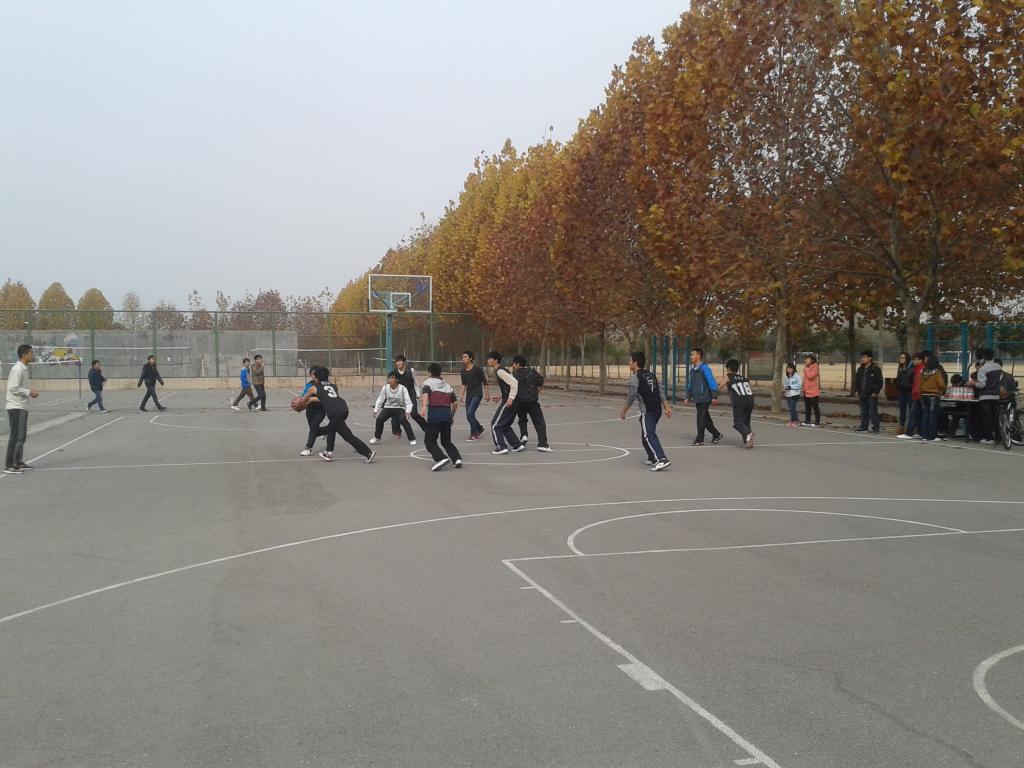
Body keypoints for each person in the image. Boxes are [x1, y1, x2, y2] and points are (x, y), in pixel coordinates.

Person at [300, 366, 374, 463]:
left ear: (316, 378)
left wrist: (299, 406)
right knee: (331, 429)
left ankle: (368, 453)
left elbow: (303, 401)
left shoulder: (314, 388)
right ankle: (329, 453)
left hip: (335, 413)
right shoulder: (333, 386)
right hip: (343, 409)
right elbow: (328, 397)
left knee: (347, 436)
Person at [619, 351, 672, 470]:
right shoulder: (651, 375)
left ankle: (662, 459)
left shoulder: (635, 378)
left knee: (648, 435)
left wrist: (623, 411)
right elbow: (660, 392)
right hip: (657, 410)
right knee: (645, 435)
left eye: (630, 361)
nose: (628, 363)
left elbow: (631, 397)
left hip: (648, 412)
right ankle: (652, 457)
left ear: (635, 363)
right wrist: (666, 407)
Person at [420, 362, 464, 471]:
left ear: (429, 372)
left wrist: (424, 407)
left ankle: (441, 458)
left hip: (435, 415)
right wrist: (451, 416)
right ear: (440, 373)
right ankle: (457, 459)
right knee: (446, 441)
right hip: (447, 416)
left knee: (429, 441)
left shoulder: (428, 383)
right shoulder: (447, 386)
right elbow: (455, 403)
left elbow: (425, 394)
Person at [5, 344, 39, 474]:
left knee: (22, 435)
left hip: (22, 406)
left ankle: (18, 461)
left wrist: (28, 392)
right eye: (31, 353)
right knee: (16, 435)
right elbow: (13, 388)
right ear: (24, 355)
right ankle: (9, 464)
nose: (32, 355)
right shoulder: (17, 369)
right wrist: (29, 392)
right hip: (15, 406)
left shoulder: (24, 368)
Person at [485, 351, 524, 455]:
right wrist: (501, 396)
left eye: (490, 359)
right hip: (513, 400)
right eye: (488, 359)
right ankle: (517, 444)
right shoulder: (502, 370)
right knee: (505, 425)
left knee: (495, 425)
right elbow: (509, 386)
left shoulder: (500, 371)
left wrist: (510, 398)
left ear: (496, 360)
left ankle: (501, 447)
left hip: (511, 400)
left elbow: (514, 383)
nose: (488, 361)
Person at [511, 355, 551, 452]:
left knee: (522, 419)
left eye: (514, 364)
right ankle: (542, 444)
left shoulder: (514, 375)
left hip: (519, 401)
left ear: (517, 364)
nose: (513, 366)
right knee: (539, 422)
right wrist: (536, 391)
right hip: (532, 401)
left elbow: (511, 388)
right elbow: (540, 381)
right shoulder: (532, 372)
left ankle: (524, 435)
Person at [685, 348, 721, 446]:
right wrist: (688, 396)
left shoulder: (705, 368)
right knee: (705, 419)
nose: (691, 357)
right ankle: (716, 434)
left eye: (693, 355)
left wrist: (714, 396)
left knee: (700, 418)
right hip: (698, 398)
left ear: (699, 356)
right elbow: (690, 384)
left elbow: (712, 382)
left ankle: (700, 439)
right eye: (691, 355)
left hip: (705, 398)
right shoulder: (693, 370)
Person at [371, 371, 416, 445]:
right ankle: (377, 437)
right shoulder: (385, 388)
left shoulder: (403, 388)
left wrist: (408, 411)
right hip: (388, 407)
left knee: (403, 420)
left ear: (397, 379)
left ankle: (412, 438)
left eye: (392, 378)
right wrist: (376, 409)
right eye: (389, 378)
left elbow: (408, 402)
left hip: (400, 408)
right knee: (379, 419)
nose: (390, 380)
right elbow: (380, 399)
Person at [969, 347, 1002, 445]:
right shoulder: (998, 367)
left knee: (986, 418)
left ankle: (988, 438)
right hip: (996, 396)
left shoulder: (982, 369)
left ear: (983, 357)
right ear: (993, 356)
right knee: (995, 417)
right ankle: (998, 437)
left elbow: (981, 385)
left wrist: (973, 383)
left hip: (985, 396)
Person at [392, 355, 428, 436]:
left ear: (404, 362)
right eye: (396, 361)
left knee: (414, 413)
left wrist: (418, 394)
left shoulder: (411, 370)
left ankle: (426, 428)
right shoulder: (394, 372)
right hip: (399, 396)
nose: (398, 363)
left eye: (399, 361)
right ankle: (397, 431)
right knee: (395, 414)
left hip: (411, 394)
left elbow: (415, 383)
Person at [725, 358, 755, 448]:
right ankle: (748, 441)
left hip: (739, 401)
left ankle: (749, 433)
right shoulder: (744, 378)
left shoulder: (728, 376)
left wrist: (713, 394)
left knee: (738, 423)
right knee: (745, 423)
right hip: (750, 400)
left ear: (728, 368)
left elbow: (719, 387)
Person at [460, 351, 489, 440]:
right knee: (469, 416)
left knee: (470, 413)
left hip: (477, 394)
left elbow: (484, 382)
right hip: (469, 395)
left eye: (465, 357)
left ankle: (473, 434)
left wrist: (487, 394)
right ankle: (479, 428)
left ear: (470, 358)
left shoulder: (477, 369)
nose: (463, 359)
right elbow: (464, 384)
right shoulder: (463, 371)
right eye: (463, 357)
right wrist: (461, 395)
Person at [919, 353, 948, 442]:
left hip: (923, 395)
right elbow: (941, 384)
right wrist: (943, 390)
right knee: (932, 416)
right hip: (933, 396)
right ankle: (932, 436)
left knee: (925, 415)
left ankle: (924, 435)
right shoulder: (936, 372)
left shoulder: (923, 372)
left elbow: (920, 383)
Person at [898, 352, 926, 439]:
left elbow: (918, 383)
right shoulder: (914, 368)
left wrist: (914, 390)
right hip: (912, 393)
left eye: (915, 359)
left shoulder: (920, 369)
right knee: (916, 414)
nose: (914, 361)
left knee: (913, 414)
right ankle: (919, 432)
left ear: (921, 360)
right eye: (913, 359)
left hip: (916, 394)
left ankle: (909, 433)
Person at [854, 350, 883, 433]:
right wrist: (856, 390)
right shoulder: (860, 369)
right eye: (862, 357)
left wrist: (876, 392)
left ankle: (875, 427)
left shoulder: (875, 369)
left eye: (864, 357)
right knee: (863, 411)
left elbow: (880, 381)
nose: (862, 359)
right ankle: (864, 427)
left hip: (871, 394)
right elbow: (857, 381)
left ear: (870, 358)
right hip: (862, 393)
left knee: (873, 411)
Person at [299, 370, 326, 456]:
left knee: (313, 427)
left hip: (321, 410)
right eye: (313, 374)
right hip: (310, 410)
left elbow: (325, 398)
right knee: (314, 429)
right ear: (311, 375)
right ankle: (327, 431)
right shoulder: (309, 385)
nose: (314, 376)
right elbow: (303, 396)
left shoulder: (324, 385)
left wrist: (311, 399)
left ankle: (308, 448)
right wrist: (300, 405)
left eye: (316, 374)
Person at [894, 352, 913, 433]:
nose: (900, 359)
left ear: (907, 358)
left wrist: (909, 386)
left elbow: (914, 379)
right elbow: (898, 378)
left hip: (909, 391)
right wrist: (897, 385)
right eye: (900, 358)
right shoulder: (900, 367)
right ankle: (901, 427)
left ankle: (911, 428)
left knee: (911, 410)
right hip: (901, 391)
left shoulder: (912, 367)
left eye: (902, 358)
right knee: (902, 410)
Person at [801, 354, 821, 427]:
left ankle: (817, 421)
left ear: (812, 360)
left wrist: (806, 369)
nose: (806, 360)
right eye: (805, 359)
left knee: (815, 407)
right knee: (807, 407)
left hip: (813, 391)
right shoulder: (807, 367)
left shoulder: (815, 367)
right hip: (806, 391)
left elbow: (810, 376)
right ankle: (807, 420)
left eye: (808, 359)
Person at [783, 362, 802, 427]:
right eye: (788, 368)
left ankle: (796, 421)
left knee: (792, 407)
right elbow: (785, 384)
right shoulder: (786, 376)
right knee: (790, 408)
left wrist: (791, 387)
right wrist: (785, 389)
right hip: (788, 394)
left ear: (793, 369)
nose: (789, 369)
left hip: (795, 393)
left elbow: (799, 385)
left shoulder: (797, 376)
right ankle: (792, 420)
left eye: (790, 368)